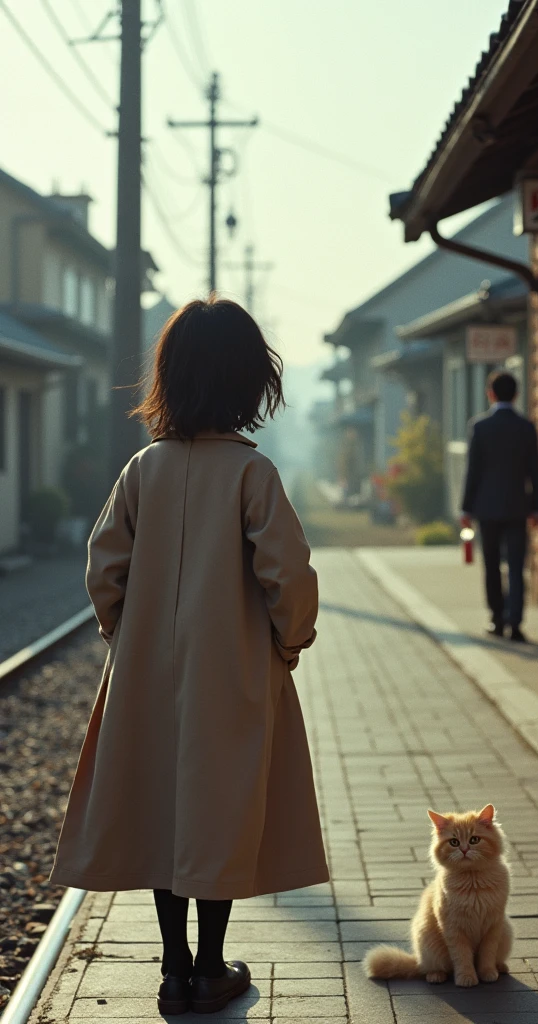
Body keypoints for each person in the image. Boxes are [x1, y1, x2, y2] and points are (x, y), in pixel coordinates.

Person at [50, 297, 329, 1016]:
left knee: (161, 810)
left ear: (167, 379)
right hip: (231, 674)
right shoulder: (251, 474)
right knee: (220, 808)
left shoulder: (143, 470)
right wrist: (289, 640)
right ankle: (210, 966)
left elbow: (102, 570)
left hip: (146, 675)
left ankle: (171, 968)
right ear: (248, 382)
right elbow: (287, 576)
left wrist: (128, 635)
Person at [461, 370, 538, 643]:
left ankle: (497, 618)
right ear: (516, 395)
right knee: (517, 566)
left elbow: (472, 471)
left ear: (490, 393)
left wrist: (466, 508)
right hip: (518, 506)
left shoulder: (480, 427)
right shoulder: (526, 427)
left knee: (492, 565)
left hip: (487, 507)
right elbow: (535, 471)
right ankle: (516, 622)